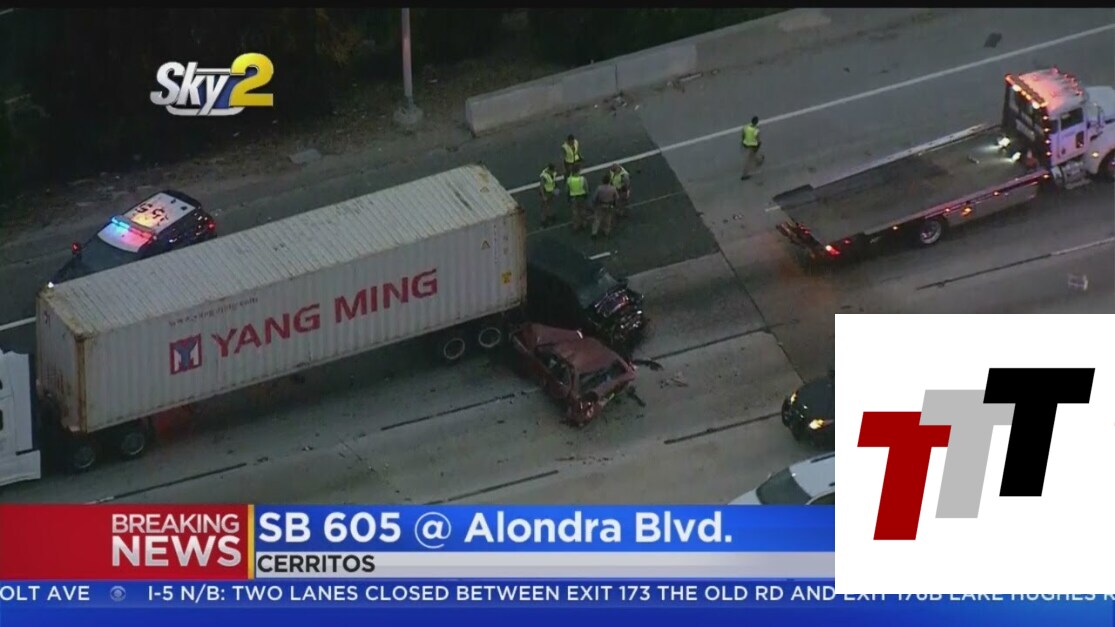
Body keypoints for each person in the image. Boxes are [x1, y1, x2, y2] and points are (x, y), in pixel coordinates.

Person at [591, 173, 618, 240]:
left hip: (600, 205)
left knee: (597, 219)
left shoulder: (599, 188)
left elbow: (594, 198)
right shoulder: (613, 188)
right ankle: (606, 231)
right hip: (609, 205)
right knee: (608, 219)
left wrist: (594, 204)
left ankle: (594, 232)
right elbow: (617, 197)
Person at [566, 165, 589, 232]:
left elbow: (567, 189)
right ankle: (584, 223)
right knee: (583, 210)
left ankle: (576, 226)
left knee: (575, 212)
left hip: (573, 198)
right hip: (581, 197)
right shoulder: (582, 179)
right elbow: (586, 188)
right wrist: (587, 194)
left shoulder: (569, 180)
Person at [740, 115, 765, 180]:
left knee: (752, 155)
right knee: (749, 159)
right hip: (753, 145)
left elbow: (743, 134)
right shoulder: (756, 130)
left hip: (746, 144)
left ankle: (759, 160)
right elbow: (758, 140)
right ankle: (744, 174)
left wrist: (743, 142)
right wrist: (758, 145)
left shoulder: (746, 127)